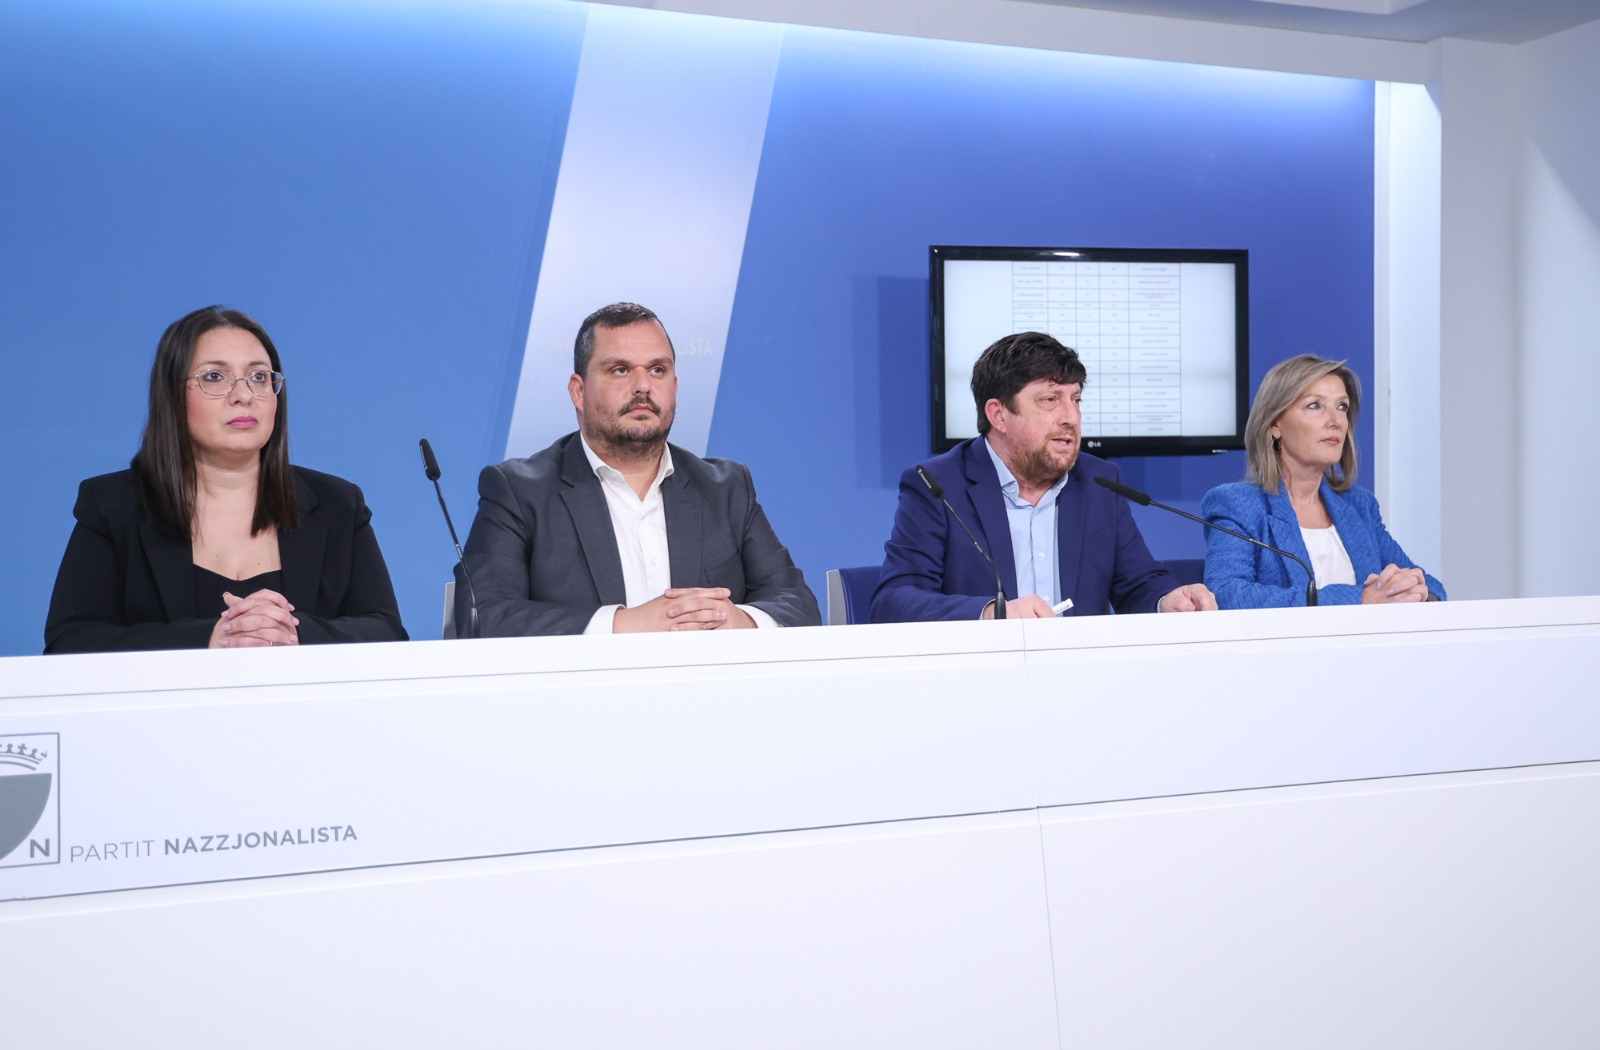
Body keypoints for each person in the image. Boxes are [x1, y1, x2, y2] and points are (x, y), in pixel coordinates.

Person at [44, 306, 408, 653]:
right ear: (172, 394)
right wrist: (213, 638)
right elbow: (71, 642)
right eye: (214, 377)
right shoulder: (113, 506)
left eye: (259, 377)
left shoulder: (338, 505)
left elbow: (387, 632)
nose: (244, 396)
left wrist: (292, 632)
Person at [457, 301, 819, 636]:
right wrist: (623, 625)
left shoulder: (726, 488)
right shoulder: (519, 491)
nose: (643, 386)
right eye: (620, 370)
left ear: (674, 387)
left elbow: (799, 605)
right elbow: (483, 614)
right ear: (578, 391)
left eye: (657, 370)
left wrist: (740, 621)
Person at [872, 331, 1215, 621]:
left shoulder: (1099, 480)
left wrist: (1166, 599)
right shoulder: (938, 485)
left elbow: (1136, 582)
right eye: (1050, 400)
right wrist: (993, 612)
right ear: (999, 414)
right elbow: (894, 601)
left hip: (1080, 679)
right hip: (980, 681)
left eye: (1076, 399)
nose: (1071, 417)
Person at [1200, 354, 1445, 608]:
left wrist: (1416, 591)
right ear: (1274, 424)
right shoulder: (1238, 504)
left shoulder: (1359, 505)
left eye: (1342, 407)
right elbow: (1227, 594)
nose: (1336, 421)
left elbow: (1432, 586)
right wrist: (1357, 599)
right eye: (1315, 406)